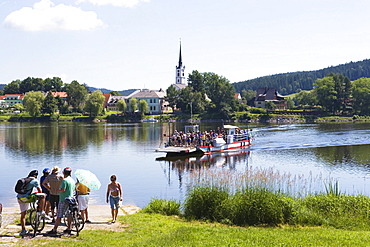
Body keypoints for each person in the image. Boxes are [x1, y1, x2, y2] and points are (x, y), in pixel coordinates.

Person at [16, 170, 47, 236]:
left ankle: (23, 230)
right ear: (35, 176)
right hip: (27, 198)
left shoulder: (24, 179)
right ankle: (42, 211)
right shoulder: (35, 181)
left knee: (23, 214)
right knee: (43, 195)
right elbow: (40, 191)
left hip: (19, 198)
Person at [47, 167, 75, 235]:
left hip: (63, 200)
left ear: (63, 172)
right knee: (69, 215)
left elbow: (63, 190)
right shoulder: (72, 180)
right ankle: (69, 228)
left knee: (59, 215)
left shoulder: (64, 181)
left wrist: (57, 190)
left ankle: (54, 229)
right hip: (71, 199)